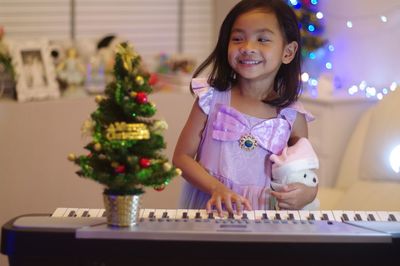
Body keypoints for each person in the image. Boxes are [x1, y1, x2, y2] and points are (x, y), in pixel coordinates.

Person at [173, 0, 318, 215]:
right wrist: (217, 188)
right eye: (238, 38)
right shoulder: (210, 98)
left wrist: (308, 193)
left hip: (266, 217)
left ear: (288, 52)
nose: (248, 48)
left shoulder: (292, 117)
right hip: (211, 209)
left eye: (262, 39)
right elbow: (181, 158)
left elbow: (305, 174)